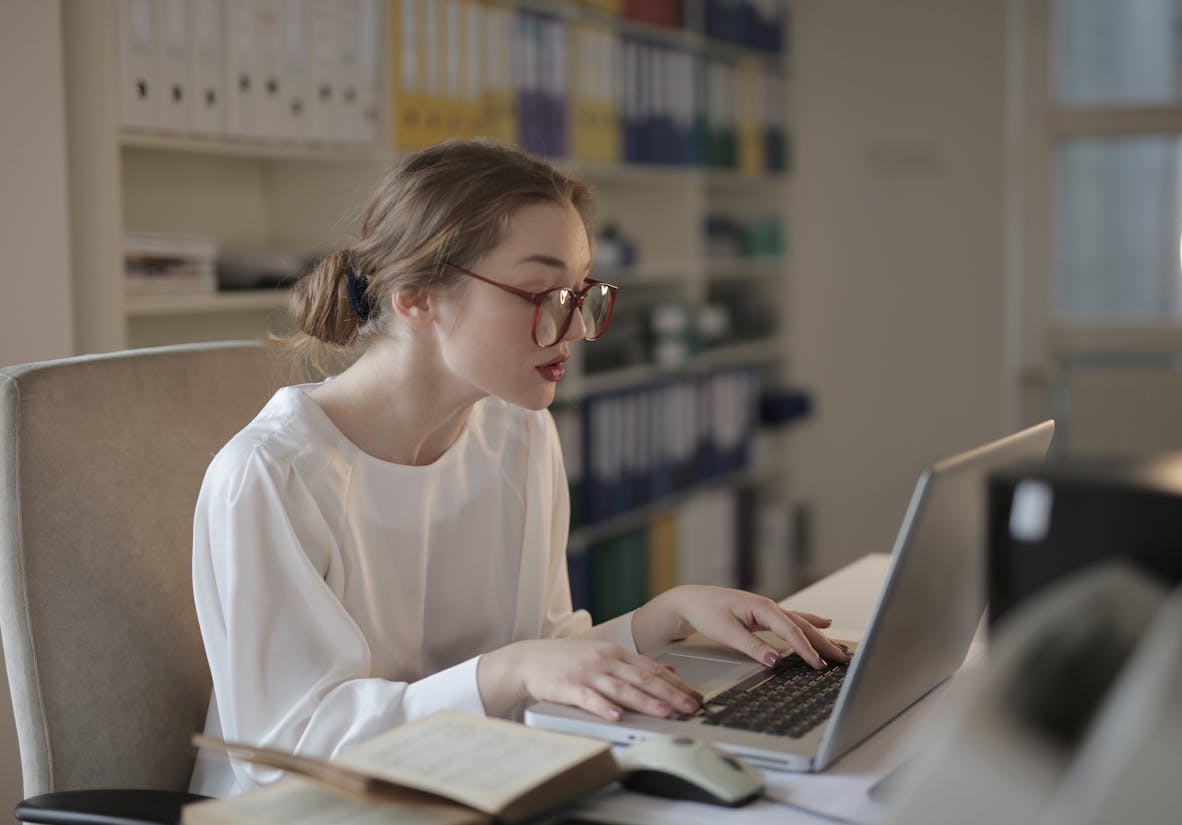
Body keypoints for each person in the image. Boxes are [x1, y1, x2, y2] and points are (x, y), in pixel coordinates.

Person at [190, 139, 848, 797]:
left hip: (468, 786)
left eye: (579, 292)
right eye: (540, 291)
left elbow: (544, 649)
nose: (578, 329)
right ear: (416, 297)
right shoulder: (271, 475)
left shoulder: (518, 429)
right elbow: (281, 750)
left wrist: (667, 617)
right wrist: (507, 670)